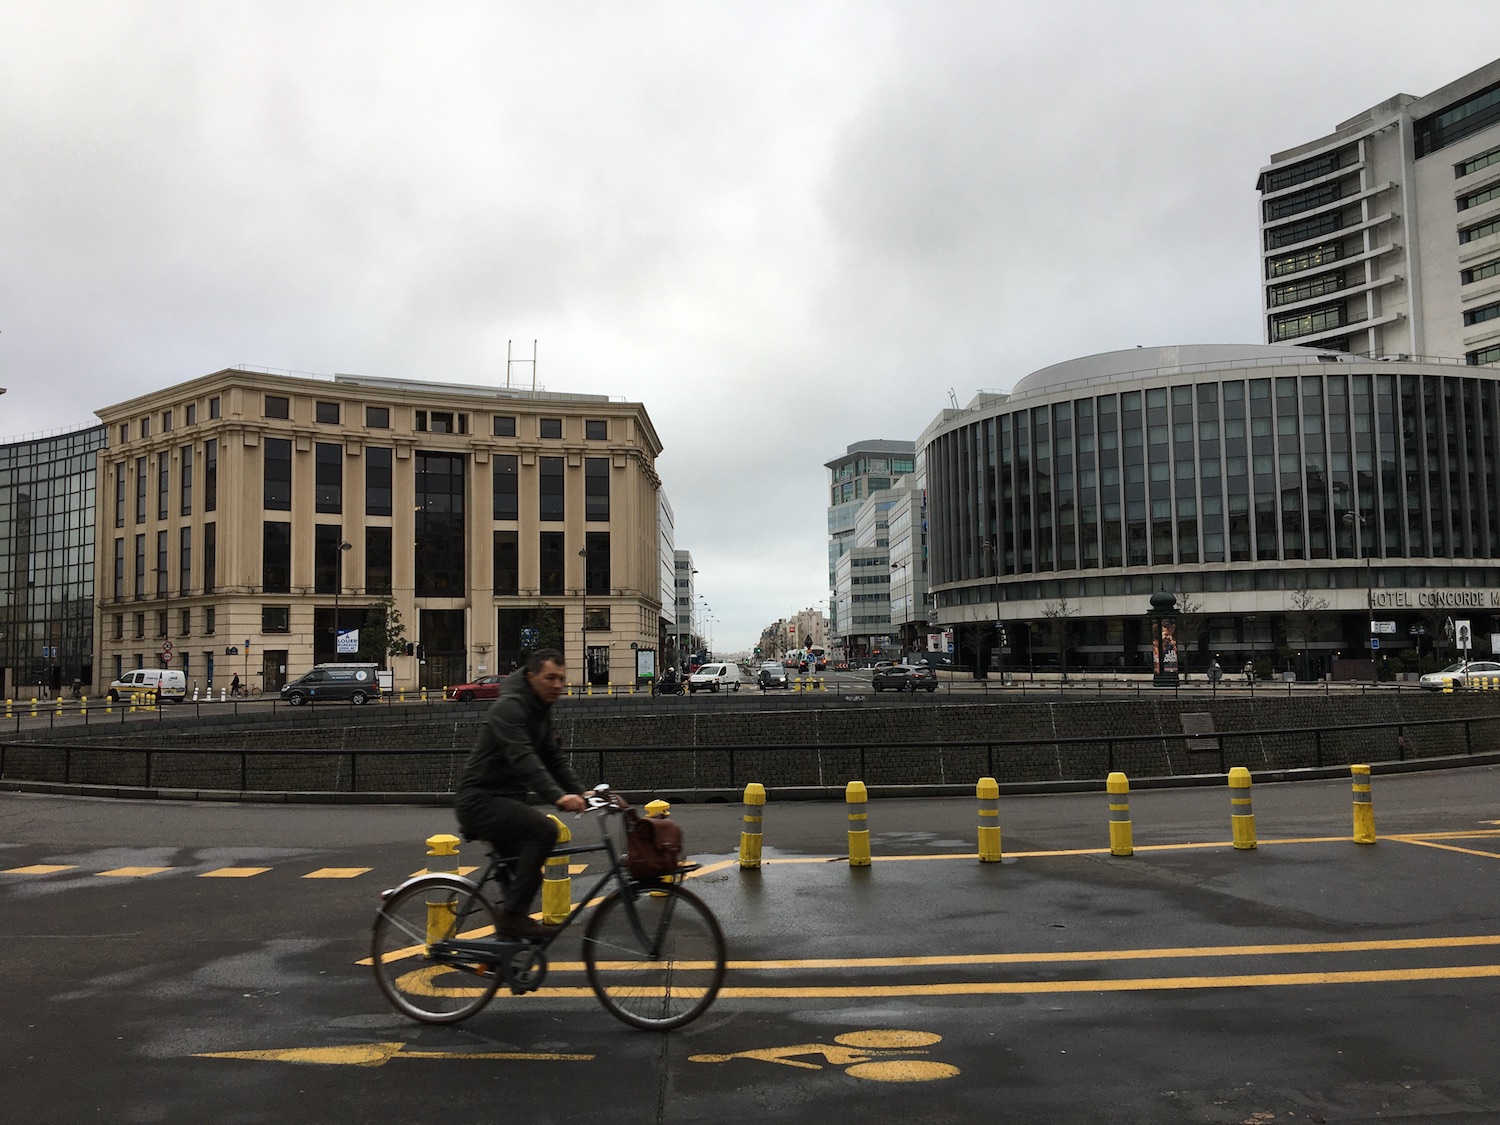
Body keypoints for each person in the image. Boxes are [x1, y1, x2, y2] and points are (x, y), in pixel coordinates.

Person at [455, 648, 586, 940]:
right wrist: (557, 796)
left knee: (527, 877)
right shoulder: (510, 708)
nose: (557, 685)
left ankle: (505, 950)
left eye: (561, 679)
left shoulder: (539, 708)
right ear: (531, 677)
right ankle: (512, 920)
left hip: (504, 799)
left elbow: (552, 756)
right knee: (544, 832)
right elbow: (524, 758)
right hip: (480, 799)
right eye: (550, 677)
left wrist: (581, 792)